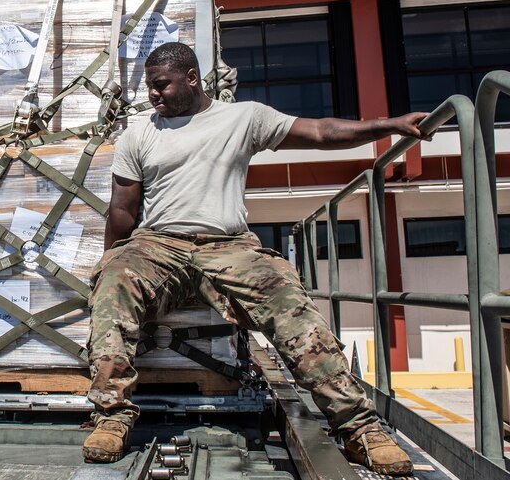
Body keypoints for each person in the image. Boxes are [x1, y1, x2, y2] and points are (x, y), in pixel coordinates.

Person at [82, 42, 422, 476]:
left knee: (287, 298)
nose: (153, 95)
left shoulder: (243, 117)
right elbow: (122, 211)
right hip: (159, 244)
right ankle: (112, 415)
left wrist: (387, 125)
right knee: (114, 281)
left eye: (161, 85)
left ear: (191, 78)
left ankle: (359, 427)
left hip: (229, 244)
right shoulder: (138, 134)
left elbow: (320, 132)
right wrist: (108, 264)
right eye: (149, 87)